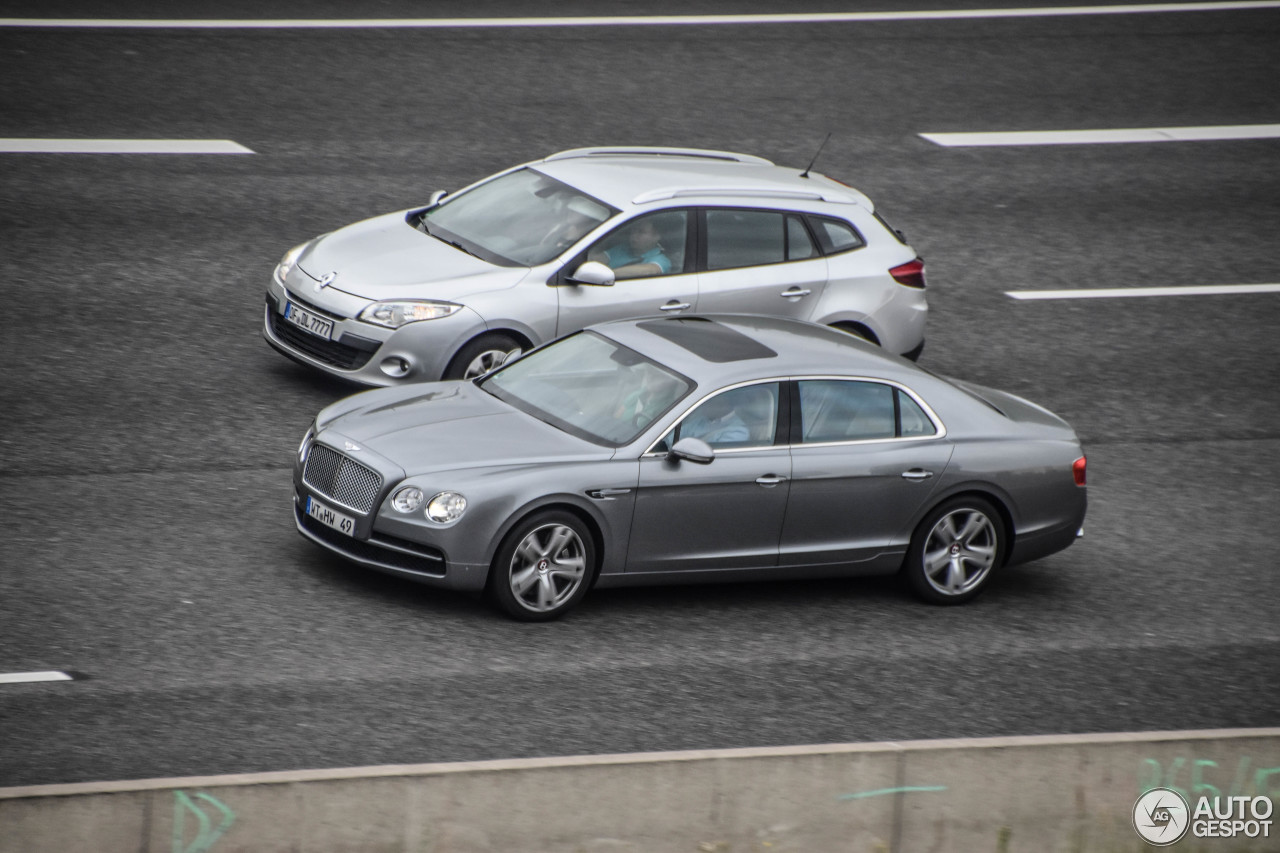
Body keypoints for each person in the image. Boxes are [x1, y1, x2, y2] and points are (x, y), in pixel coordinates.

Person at [591, 218, 671, 279]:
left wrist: (606, 276)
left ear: (656, 236)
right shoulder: (622, 248)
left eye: (641, 232)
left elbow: (650, 270)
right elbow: (594, 260)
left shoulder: (661, 260)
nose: (634, 235)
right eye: (633, 230)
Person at [680, 393, 749, 445]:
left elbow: (719, 458)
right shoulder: (701, 420)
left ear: (724, 404)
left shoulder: (737, 431)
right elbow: (671, 438)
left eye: (710, 402)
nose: (703, 406)